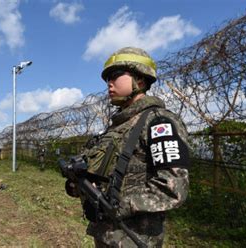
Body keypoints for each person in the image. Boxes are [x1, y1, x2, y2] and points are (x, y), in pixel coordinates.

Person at [64, 47, 190, 247]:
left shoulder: (157, 122)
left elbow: (173, 188)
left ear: (139, 80)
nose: (109, 83)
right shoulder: (119, 126)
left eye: (115, 76)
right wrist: (79, 185)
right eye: (107, 79)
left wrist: (117, 206)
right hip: (106, 235)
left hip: (135, 237)